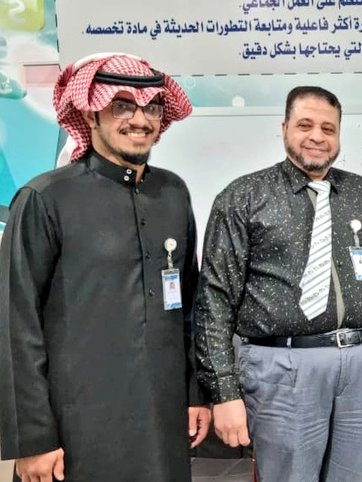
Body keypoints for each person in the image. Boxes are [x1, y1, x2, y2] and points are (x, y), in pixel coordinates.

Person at [0, 53, 210, 481]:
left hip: (164, 424)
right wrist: (34, 439)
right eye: (122, 105)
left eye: (152, 106)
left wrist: (196, 394)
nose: (141, 119)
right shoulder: (45, 199)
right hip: (78, 431)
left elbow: (190, 306)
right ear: (89, 112)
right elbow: (13, 328)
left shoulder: (173, 193)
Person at [193, 86, 362, 482]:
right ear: (284, 128)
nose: (317, 136)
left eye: (328, 128)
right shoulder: (243, 197)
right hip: (283, 369)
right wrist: (222, 392)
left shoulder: (361, 193)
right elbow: (214, 300)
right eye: (305, 125)